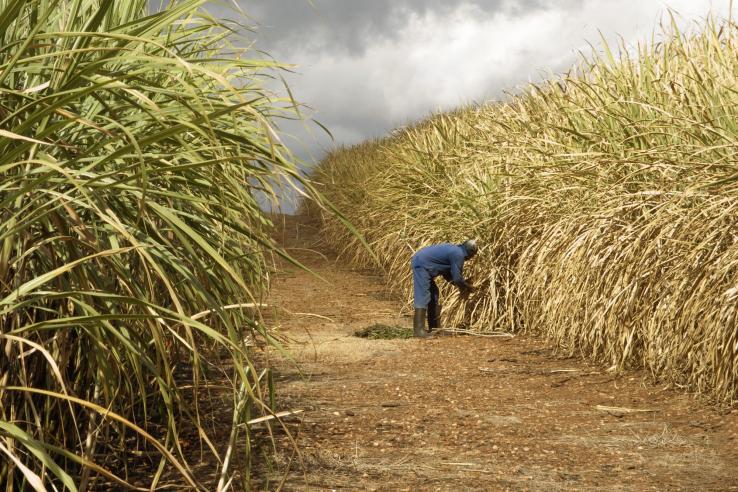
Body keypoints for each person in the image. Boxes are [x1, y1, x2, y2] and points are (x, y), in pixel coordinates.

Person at [410, 239, 478, 338]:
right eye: (472, 256)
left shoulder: (455, 251)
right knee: (423, 294)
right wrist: (467, 287)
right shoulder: (458, 254)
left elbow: (448, 276)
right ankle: (418, 331)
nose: (470, 259)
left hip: (422, 261)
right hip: (422, 264)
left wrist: (463, 283)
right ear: (470, 253)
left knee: (434, 294)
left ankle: (435, 329)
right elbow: (457, 278)